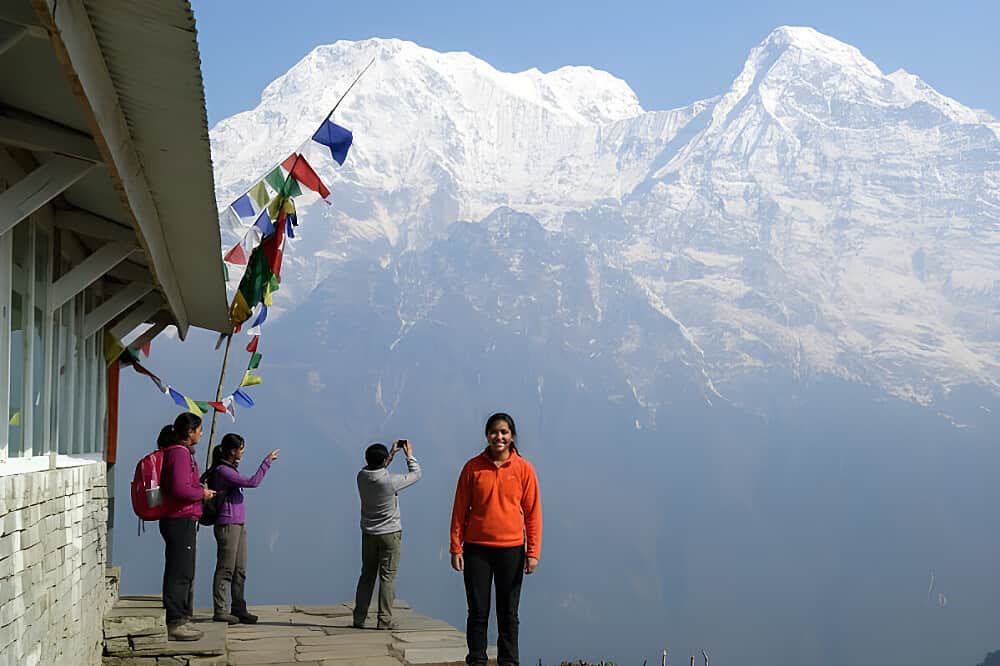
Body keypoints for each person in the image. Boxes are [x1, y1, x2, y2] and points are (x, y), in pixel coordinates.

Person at [449, 413, 542, 666]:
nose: (499, 437)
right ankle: (477, 660)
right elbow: (459, 509)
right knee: (478, 611)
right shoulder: (472, 468)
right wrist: (455, 546)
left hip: (511, 550)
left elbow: (533, 513)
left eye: (504, 432)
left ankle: (509, 661)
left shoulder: (524, 469)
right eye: (494, 432)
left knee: (508, 613)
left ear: (512, 436)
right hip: (476, 549)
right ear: (487, 435)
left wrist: (532, 551)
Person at [202, 433, 280, 625]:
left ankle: (239, 608)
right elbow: (252, 482)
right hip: (227, 523)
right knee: (226, 568)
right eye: (241, 448)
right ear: (232, 450)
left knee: (240, 570)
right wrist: (266, 462)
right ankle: (220, 609)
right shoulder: (223, 471)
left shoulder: (229, 469)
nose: (242, 452)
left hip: (238, 523)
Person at [353, 439, 422, 629]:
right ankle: (384, 620)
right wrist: (409, 455)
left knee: (367, 575)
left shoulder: (361, 477)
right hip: (390, 533)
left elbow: (375, 468)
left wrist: (390, 454)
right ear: (384, 461)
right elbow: (416, 474)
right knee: (387, 576)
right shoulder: (390, 481)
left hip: (368, 533)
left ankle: (359, 618)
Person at [158, 412, 215, 641]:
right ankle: (175, 621)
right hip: (179, 518)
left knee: (183, 569)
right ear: (190, 432)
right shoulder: (180, 454)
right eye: (199, 429)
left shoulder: (181, 453)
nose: (201, 433)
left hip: (182, 518)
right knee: (179, 571)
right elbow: (180, 489)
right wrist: (202, 493)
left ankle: (181, 617)